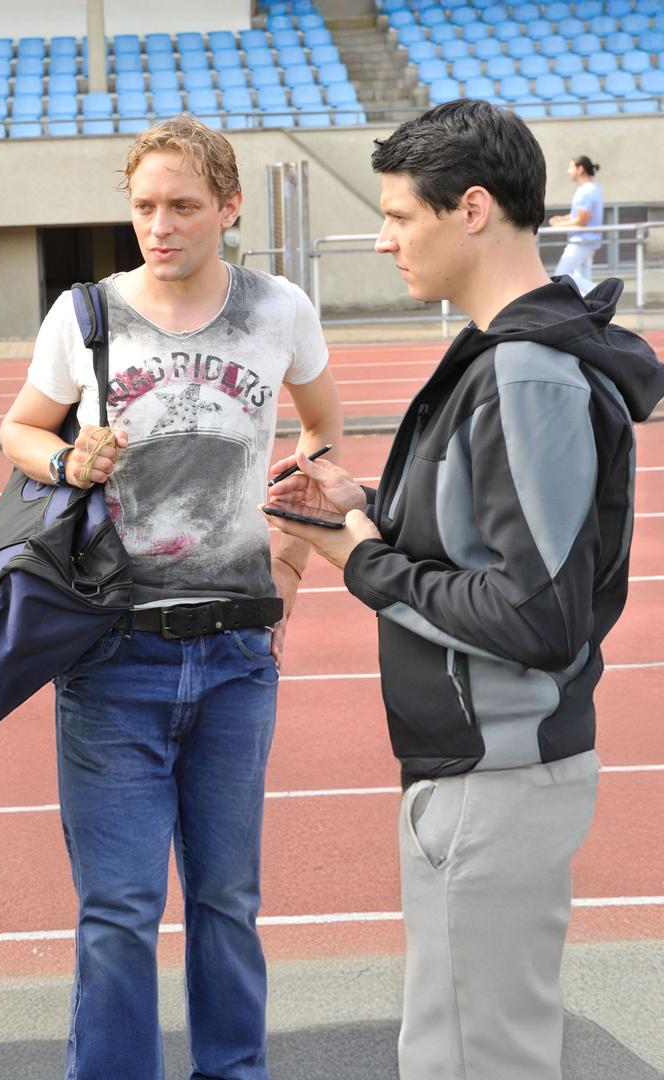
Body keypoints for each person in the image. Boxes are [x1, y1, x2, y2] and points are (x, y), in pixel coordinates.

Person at [264, 100, 664, 1080]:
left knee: (483, 1063)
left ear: (472, 209)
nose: (383, 235)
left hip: (500, 773)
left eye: (400, 215)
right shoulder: (512, 355)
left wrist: (361, 556)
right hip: (482, 769)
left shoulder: (528, 371)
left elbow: (534, 614)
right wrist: (367, 504)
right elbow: (493, 538)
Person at [0, 116, 344, 1080]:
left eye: (184, 206)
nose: (161, 224)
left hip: (237, 659)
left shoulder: (279, 310)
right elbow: (20, 430)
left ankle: (233, 1070)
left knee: (228, 900)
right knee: (118, 911)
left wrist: (290, 562)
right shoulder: (86, 316)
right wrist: (67, 456)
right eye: (145, 205)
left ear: (230, 208)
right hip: (112, 659)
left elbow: (323, 430)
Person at [550, 154, 604, 293]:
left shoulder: (587, 191)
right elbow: (579, 215)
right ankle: (590, 306)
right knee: (582, 277)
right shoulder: (589, 188)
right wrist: (563, 219)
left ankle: (597, 292)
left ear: (580, 169)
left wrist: (558, 226)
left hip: (582, 242)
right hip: (586, 241)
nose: (568, 171)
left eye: (570, 167)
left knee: (560, 275)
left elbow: (582, 221)